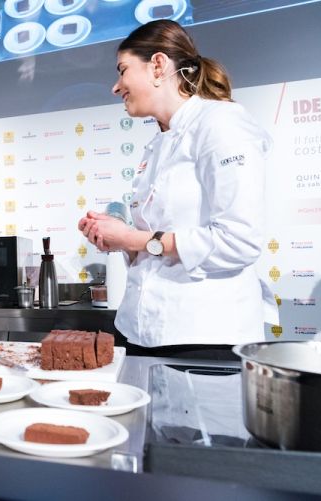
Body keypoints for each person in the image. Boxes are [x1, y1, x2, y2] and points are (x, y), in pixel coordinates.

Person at [78, 20, 277, 357]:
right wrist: (117, 238)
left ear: (158, 65)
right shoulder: (158, 144)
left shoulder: (220, 123)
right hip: (143, 332)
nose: (116, 87)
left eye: (122, 70)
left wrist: (133, 238)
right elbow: (158, 246)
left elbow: (239, 241)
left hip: (204, 337)